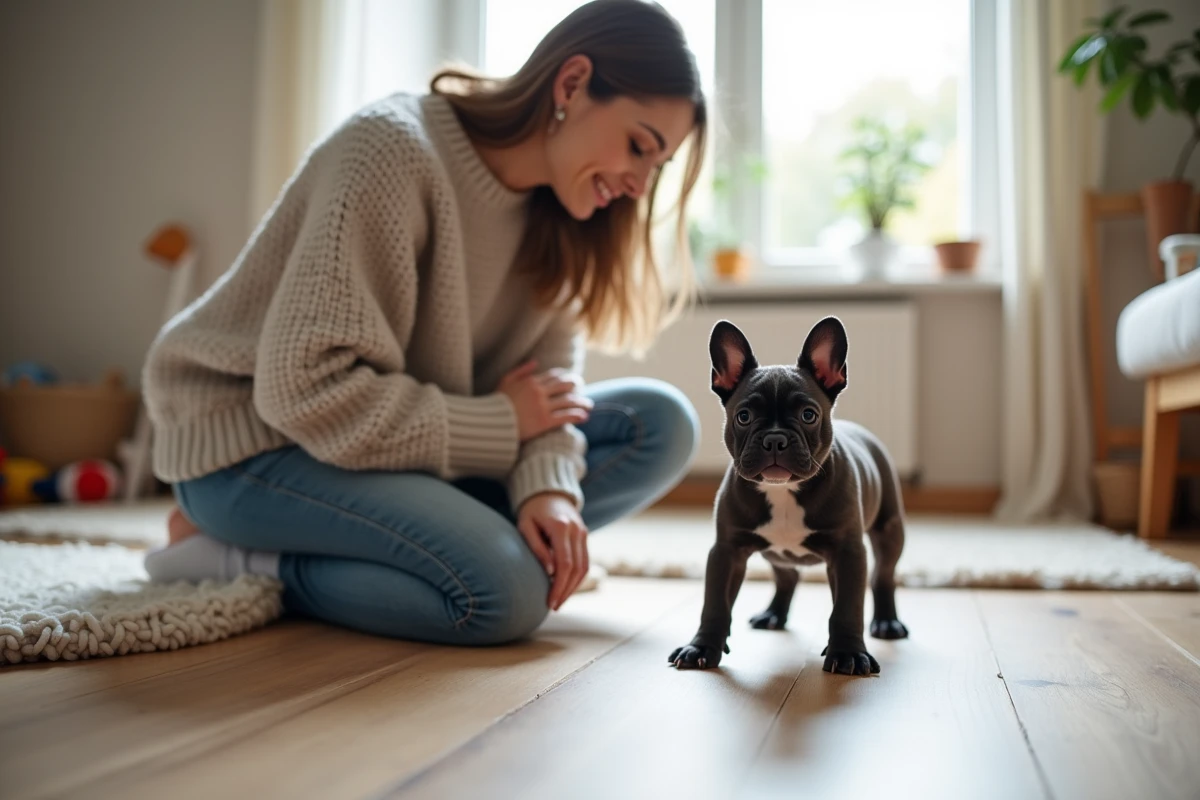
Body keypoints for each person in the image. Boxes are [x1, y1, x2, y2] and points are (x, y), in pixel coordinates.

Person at [142, 0, 707, 646]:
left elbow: (550, 397)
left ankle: (442, 541)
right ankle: (239, 558)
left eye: (655, 167)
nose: (639, 185)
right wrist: (501, 423)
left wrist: (548, 491)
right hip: (257, 448)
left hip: (397, 449)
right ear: (572, 84)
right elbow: (303, 393)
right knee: (503, 592)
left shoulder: (568, 221)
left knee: (660, 424)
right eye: (639, 146)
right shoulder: (391, 151)